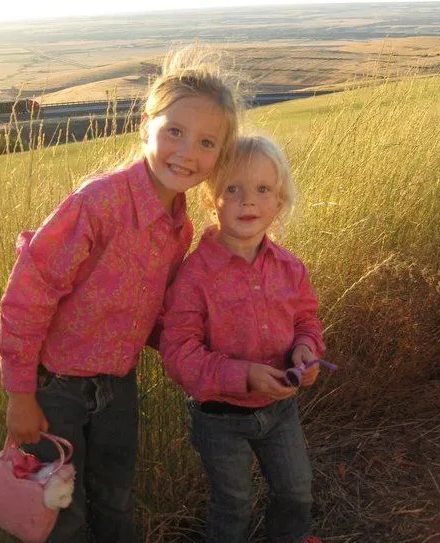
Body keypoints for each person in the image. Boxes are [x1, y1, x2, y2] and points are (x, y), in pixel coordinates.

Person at [0, 44, 242, 543]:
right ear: (144, 124)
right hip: (55, 388)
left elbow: (156, 315)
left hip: (116, 388)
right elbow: (30, 291)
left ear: (221, 155)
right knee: (60, 509)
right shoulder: (98, 203)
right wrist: (20, 392)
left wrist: (217, 349)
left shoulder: (179, 226)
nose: (187, 152)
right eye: (174, 131)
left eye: (207, 142)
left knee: (116, 499)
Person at [160, 135, 326, 543]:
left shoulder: (290, 268)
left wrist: (307, 350)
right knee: (234, 500)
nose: (247, 202)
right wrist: (243, 375)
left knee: (296, 490)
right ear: (210, 199)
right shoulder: (195, 276)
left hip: (279, 411)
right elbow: (178, 353)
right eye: (232, 189)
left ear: (279, 200)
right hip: (218, 417)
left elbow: (307, 320)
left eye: (262, 190)